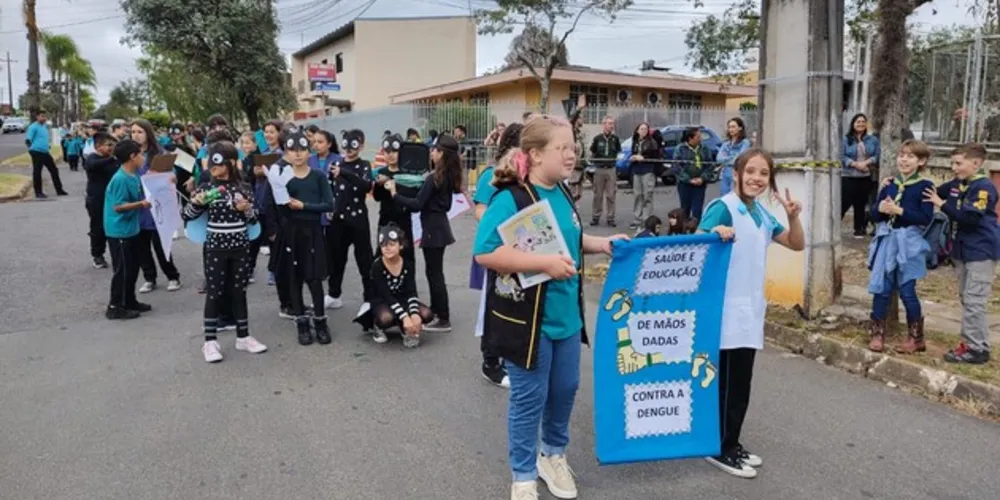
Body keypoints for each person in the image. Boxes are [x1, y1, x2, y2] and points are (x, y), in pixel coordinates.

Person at [474, 115, 626, 500]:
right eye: (563, 148)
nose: (572, 154)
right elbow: (486, 252)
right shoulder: (511, 197)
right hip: (527, 322)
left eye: (573, 147)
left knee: (565, 390)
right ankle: (523, 475)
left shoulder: (562, 193)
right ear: (536, 155)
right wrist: (543, 264)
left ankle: (552, 455)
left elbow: (570, 241)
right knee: (529, 397)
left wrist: (603, 244)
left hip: (567, 318)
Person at [697, 148, 804, 479]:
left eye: (764, 174)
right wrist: (714, 234)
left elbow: (796, 244)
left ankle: (731, 442)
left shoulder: (760, 213)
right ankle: (720, 448)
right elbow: (695, 244)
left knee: (740, 383)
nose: (757, 178)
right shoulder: (722, 208)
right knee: (727, 383)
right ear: (736, 173)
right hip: (725, 311)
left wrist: (793, 216)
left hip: (749, 311)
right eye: (751, 171)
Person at [183, 141, 267, 363]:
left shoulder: (244, 187)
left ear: (230, 163)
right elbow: (188, 215)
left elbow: (255, 219)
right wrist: (198, 204)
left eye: (217, 161)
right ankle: (209, 341)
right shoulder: (205, 188)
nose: (212, 166)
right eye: (210, 161)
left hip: (240, 247)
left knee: (239, 291)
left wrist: (246, 209)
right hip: (215, 248)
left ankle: (243, 336)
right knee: (215, 292)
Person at [923, 143, 1000, 365]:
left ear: (976, 163)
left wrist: (941, 205)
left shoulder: (983, 188)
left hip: (981, 251)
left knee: (975, 301)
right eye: (952, 163)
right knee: (966, 299)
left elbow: (969, 218)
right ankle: (972, 342)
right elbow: (933, 191)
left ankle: (977, 350)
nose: (954, 168)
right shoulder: (959, 183)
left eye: (958, 163)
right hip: (962, 251)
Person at [388, 134, 462, 333]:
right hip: (440, 227)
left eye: (435, 150)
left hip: (433, 229)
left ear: (441, 154)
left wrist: (395, 194)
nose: (432, 152)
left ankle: (443, 317)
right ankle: (437, 310)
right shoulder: (446, 175)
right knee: (434, 272)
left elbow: (416, 205)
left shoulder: (434, 178)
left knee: (434, 274)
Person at [267, 130, 335, 346]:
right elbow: (277, 207)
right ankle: (301, 322)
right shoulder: (282, 177)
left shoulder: (319, 176)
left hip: (313, 231)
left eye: (302, 150)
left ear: (309, 151)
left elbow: (329, 204)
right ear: (286, 152)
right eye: (292, 150)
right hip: (291, 232)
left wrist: (304, 206)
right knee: (294, 278)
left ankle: (320, 321)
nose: (297, 154)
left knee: (314, 279)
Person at [866, 140, 935, 353]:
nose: (904, 159)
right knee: (882, 288)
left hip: (910, 244)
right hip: (887, 240)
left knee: (907, 290)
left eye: (911, 156)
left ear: (921, 161)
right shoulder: (889, 184)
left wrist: (900, 211)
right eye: (902, 155)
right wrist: (882, 208)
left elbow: (925, 217)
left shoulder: (925, 186)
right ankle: (877, 333)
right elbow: (873, 215)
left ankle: (916, 337)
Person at [471, 123, 524, 388]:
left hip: (524, 253)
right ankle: (490, 361)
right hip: (498, 251)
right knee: (493, 305)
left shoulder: (529, 177)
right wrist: (504, 228)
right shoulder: (493, 175)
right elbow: (480, 210)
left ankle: (510, 356)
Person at [325, 129, 375, 312]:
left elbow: (365, 186)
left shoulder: (364, 165)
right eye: (345, 143)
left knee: (364, 259)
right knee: (336, 259)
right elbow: (329, 187)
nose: (348, 148)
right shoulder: (335, 162)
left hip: (358, 218)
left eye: (354, 144)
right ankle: (334, 294)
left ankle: (369, 297)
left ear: (361, 146)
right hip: (338, 219)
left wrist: (343, 173)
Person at [131, 119, 182, 294]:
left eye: (140, 131)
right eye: (133, 132)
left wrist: (171, 178)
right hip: (138, 203)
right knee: (141, 246)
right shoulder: (129, 153)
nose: (136, 135)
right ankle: (149, 278)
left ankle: (172, 276)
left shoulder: (159, 153)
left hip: (157, 204)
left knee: (161, 244)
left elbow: (171, 174)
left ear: (148, 133)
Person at [104, 139, 152, 320]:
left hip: (132, 228)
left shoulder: (134, 175)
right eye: (140, 154)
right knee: (122, 269)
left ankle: (129, 300)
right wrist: (141, 203)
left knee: (132, 268)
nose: (143, 157)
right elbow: (118, 206)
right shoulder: (121, 179)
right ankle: (115, 306)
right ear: (132, 156)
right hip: (119, 231)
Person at [365, 224, 435, 346]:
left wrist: (414, 314)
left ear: (401, 245)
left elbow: (411, 291)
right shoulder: (377, 266)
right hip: (383, 300)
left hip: (402, 299)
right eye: (383, 245)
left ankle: (407, 328)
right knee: (385, 318)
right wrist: (405, 317)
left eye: (391, 245)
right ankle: (378, 326)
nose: (387, 248)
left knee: (427, 314)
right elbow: (386, 295)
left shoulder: (408, 264)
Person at [371, 134, 416, 266]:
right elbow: (377, 197)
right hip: (385, 218)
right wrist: (379, 185)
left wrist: (393, 183)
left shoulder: (407, 173)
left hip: (403, 219)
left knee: (406, 255)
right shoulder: (381, 171)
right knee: (383, 253)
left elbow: (412, 195)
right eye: (387, 152)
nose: (390, 155)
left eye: (394, 151)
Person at [83, 132, 119, 269]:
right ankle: (97, 255)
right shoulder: (92, 158)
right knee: (98, 228)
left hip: (113, 199)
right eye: (108, 145)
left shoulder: (113, 160)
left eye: (113, 145)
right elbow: (92, 166)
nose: (111, 148)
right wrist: (113, 158)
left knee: (114, 227)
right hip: (96, 200)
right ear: (98, 146)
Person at [842, 113, 880, 238]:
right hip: (848, 176)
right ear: (853, 124)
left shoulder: (872, 140)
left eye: (863, 122)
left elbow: (877, 155)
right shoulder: (845, 139)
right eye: (858, 121)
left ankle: (859, 229)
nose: (861, 124)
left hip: (865, 177)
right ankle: (834, 227)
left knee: (861, 203)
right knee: (844, 202)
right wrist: (854, 164)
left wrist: (866, 162)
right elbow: (841, 156)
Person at [589, 116, 622, 227]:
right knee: (597, 195)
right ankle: (595, 217)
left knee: (611, 195)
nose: (611, 126)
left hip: (611, 169)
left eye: (612, 123)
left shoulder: (615, 139)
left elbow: (618, 152)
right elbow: (592, 153)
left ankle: (610, 218)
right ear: (603, 125)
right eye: (609, 123)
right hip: (599, 169)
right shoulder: (597, 139)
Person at [26, 111, 67, 198]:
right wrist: (31, 149)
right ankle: (38, 192)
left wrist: (47, 145)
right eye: (41, 116)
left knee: (54, 170)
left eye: (45, 116)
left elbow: (44, 138)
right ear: (37, 117)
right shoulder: (33, 127)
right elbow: (28, 140)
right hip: (36, 152)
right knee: (37, 172)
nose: (44, 118)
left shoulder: (44, 126)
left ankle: (59, 190)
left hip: (45, 152)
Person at [674, 127, 712, 220]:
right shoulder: (680, 148)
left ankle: (696, 229)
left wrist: (702, 178)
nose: (700, 138)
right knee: (685, 208)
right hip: (685, 184)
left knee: (697, 209)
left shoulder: (705, 148)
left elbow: (710, 165)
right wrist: (688, 179)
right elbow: (676, 166)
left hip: (700, 184)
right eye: (698, 137)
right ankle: (684, 229)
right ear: (690, 138)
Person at [628, 122, 660, 229]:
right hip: (637, 171)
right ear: (637, 131)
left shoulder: (652, 142)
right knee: (638, 195)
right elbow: (633, 153)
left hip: (648, 170)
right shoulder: (635, 142)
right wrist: (633, 157)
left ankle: (647, 219)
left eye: (645, 129)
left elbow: (656, 157)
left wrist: (644, 158)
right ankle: (637, 219)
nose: (643, 131)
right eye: (641, 129)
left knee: (647, 195)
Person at [716, 118, 752, 196]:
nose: (731, 129)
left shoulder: (745, 142)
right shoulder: (726, 144)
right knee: (724, 197)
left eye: (733, 127)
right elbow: (719, 159)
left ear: (740, 128)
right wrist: (732, 158)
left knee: (735, 197)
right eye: (729, 127)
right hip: (725, 173)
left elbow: (739, 158)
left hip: (737, 172)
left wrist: (727, 159)